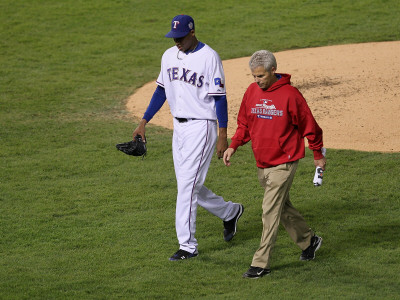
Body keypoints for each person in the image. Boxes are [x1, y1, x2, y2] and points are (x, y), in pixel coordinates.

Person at [132, 15, 244, 261]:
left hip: (202, 127)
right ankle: (230, 212)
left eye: (181, 37)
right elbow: (161, 89)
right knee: (188, 184)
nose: (177, 42)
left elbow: (220, 98)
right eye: (173, 38)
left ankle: (187, 247)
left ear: (192, 32)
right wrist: (143, 121)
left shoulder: (209, 57)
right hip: (179, 129)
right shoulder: (168, 55)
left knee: (186, 188)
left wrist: (223, 135)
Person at [223, 50, 326, 278]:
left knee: (269, 211)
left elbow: (311, 127)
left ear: (273, 70)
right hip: (262, 162)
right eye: (253, 76)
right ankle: (309, 241)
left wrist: (317, 154)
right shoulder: (251, 92)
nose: (256, 81)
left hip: (284, 162)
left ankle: (261, 264)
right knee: (282, 207)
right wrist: (234, 145)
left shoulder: (291, 95)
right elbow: (244, 124)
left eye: (260, 76)